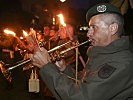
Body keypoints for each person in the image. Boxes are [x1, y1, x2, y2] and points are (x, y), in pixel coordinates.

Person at [30, 3, 133, 100]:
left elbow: (83, 96)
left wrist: (46, 67)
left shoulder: (122, 62)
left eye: (93, 27)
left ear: (113, 28)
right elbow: (84, 81)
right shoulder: (102, 53)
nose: (88, 33)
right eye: (89, 28)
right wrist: (65, 69)